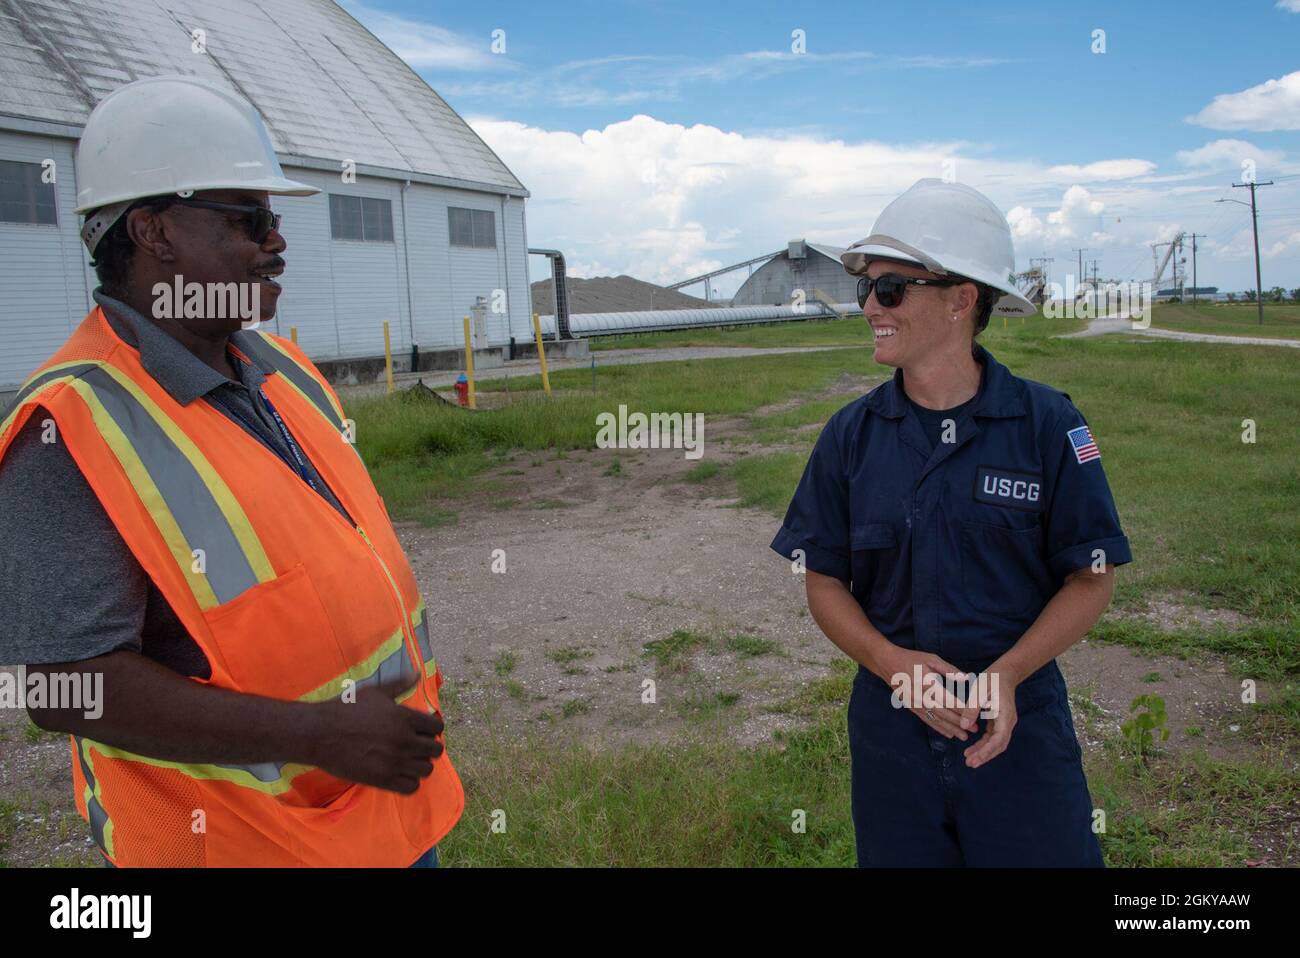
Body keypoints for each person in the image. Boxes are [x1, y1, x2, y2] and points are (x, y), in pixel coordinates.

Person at [0, 76, 462, 867]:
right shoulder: (71, 428)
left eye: (273, 219)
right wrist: (314, 734)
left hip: (380, 816)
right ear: (153, 232)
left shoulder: (277, 366)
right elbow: (61, 689)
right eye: (248, 219)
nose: (276, 242)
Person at [771, 178, 1130, 867]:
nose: (871, 306)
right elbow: (823, 580)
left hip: (1017, 730)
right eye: (866, 290)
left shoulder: (1047, 425)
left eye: (892, 289)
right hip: (891, 742)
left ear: (962, 299)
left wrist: (1009, 673)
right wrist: (892, 666)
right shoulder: (851, 436)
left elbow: (1090, 577)